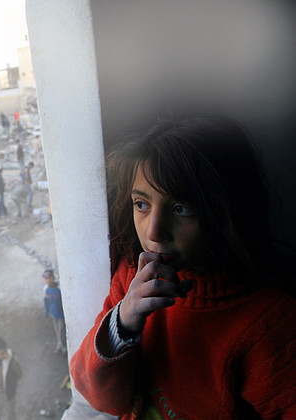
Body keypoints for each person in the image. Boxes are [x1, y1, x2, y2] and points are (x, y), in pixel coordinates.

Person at [69, 114, 296, 419]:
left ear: (225, 212)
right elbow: (101, 398)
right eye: (142, 204)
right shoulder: (134, 278)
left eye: (180, 208)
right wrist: (123, 321)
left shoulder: (269, 323)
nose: (153, 232)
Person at [42, 269, 66, 355]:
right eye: (46, 279)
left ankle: (64, 347)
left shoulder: (59, 288)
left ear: (53, 278)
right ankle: (60, 345)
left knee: (61, 330)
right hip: (53, 313)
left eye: (50, 278)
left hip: (61, 313)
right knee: (57, 330)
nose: (48, 280)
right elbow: (46, 301)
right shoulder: (46, 289)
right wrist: (46, 311)